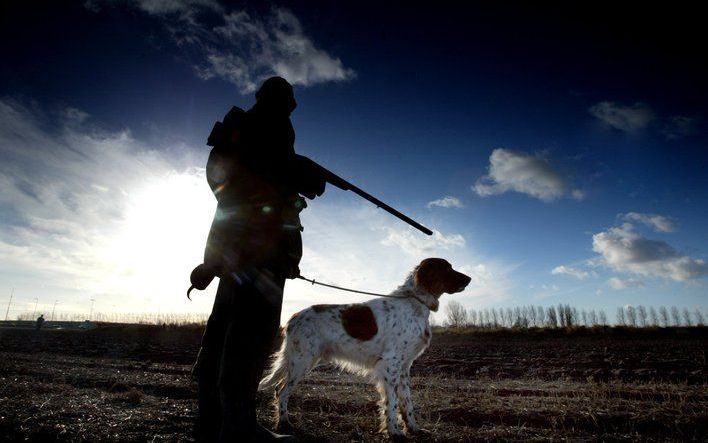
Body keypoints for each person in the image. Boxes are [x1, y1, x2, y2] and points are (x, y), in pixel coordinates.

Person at [191, 76, 326, 442]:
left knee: (224, 332)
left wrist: (294, 182)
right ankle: (237, 427)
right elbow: (247, 186)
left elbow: (243, 187)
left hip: (236, 253)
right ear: (283, 102)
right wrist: (298, 174)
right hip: (258, 255)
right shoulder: (269, 129)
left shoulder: (248, 133)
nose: (289, 108)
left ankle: (212, 421)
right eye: (287, 101)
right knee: (251, 335)